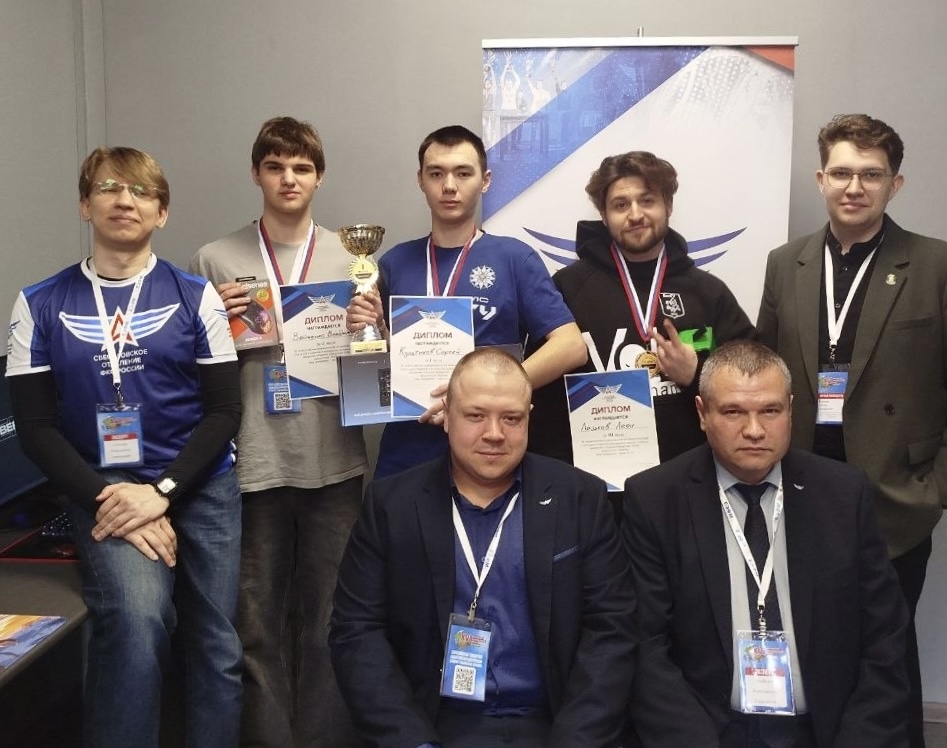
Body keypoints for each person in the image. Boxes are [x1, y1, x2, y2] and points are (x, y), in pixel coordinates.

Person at [756, 114, 947, 747]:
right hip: (801, 490)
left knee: (887, 652)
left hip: (892, 496)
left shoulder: (939, 265)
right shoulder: (785, 264)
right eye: (841, 173)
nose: (854, 187)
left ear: (895, 184)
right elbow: (764, 373)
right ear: (821, 179)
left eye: (871, 174)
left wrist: (938, 490)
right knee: (809, 638)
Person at [6, 147, 243, 747]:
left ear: (161, 212)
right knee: (137, 622)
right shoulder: (40, 303)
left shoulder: (197, 296)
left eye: (140, 190)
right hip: (104, 489)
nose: (124, 200)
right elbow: (35, 427)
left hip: (199, 482)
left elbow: (224, 411)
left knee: (217, 642)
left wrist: (162, 492)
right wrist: (112, 498)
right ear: (85, 206)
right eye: (108, 188)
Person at [330, 348, 635, 747]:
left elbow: (612, 628)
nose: (494, 433)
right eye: (476, 416)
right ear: (447, 416)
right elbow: (357, 632)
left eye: (512, 418)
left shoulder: (580, 498)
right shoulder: (392, 505)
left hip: (554, 724)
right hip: (434, 725)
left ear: (529, 417)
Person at [623, 340, 909, 748]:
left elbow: (885, 637)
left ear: (791, 410)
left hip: (824, 731)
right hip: (712, 730)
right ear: (702, 414)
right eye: (733, 412)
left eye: (770, 411)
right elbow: (646, 647)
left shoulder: (843, 494)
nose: (754, 430)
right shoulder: (655, 499)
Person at [190, 116, 367, 747]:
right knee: (254, 628)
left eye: (301, 167)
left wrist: (370, 331)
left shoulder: (356, 259)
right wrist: (213, 323)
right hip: (251, 467)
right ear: (256, 173)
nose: (289, 178)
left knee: (330, 625)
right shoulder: (214, 259)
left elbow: (373, 380)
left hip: (333, 463)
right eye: (275, 166)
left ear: (319, 177)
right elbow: (191, 374)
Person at [346, 125, 586, 478]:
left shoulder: (514, 258)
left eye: (463, 173)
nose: (449, 185)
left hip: (490, 452)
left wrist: (492, 389)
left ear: (485, 180)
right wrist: (376, 330)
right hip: (408, 451)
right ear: (420, 180)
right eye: (436, 173)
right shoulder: (395, 262)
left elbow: (571, 346)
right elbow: (376, 371)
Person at [529, 151, 755, 469]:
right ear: (604, 215)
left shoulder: (707, 291)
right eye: (621, 205)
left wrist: (696, 373)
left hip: (687, 478)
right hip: (592, 480)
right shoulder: (567, 288)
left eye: (647, 200)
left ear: (668, 206)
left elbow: (753, 379)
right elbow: (541, 397)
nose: (635, 215)